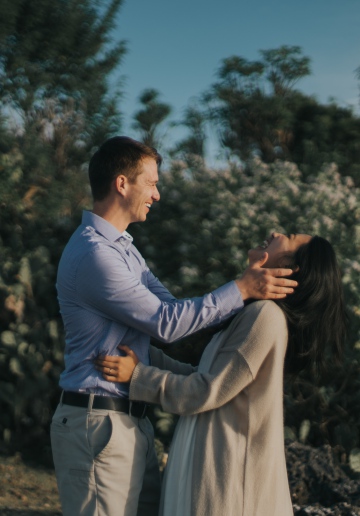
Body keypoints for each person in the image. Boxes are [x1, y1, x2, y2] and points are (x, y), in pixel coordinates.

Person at [51, 136, 298, 516]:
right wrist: (242, 288)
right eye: (151, 183)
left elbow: (171, 308)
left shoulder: (125, 250)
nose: (157, 194)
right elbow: (166, 324)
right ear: (122, 184)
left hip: (128, 419)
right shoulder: (95, 256)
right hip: (97, 423)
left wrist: (243, 294)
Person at [95, 232, 347, 516]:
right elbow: (206, 377)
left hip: (228, 490)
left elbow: (206, 390)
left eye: (288, 237)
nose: (275, 233)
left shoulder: (265, 317)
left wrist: (139, 376)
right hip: (217, 477)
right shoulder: (255, 314)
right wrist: (147, 359)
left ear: (292, 268)